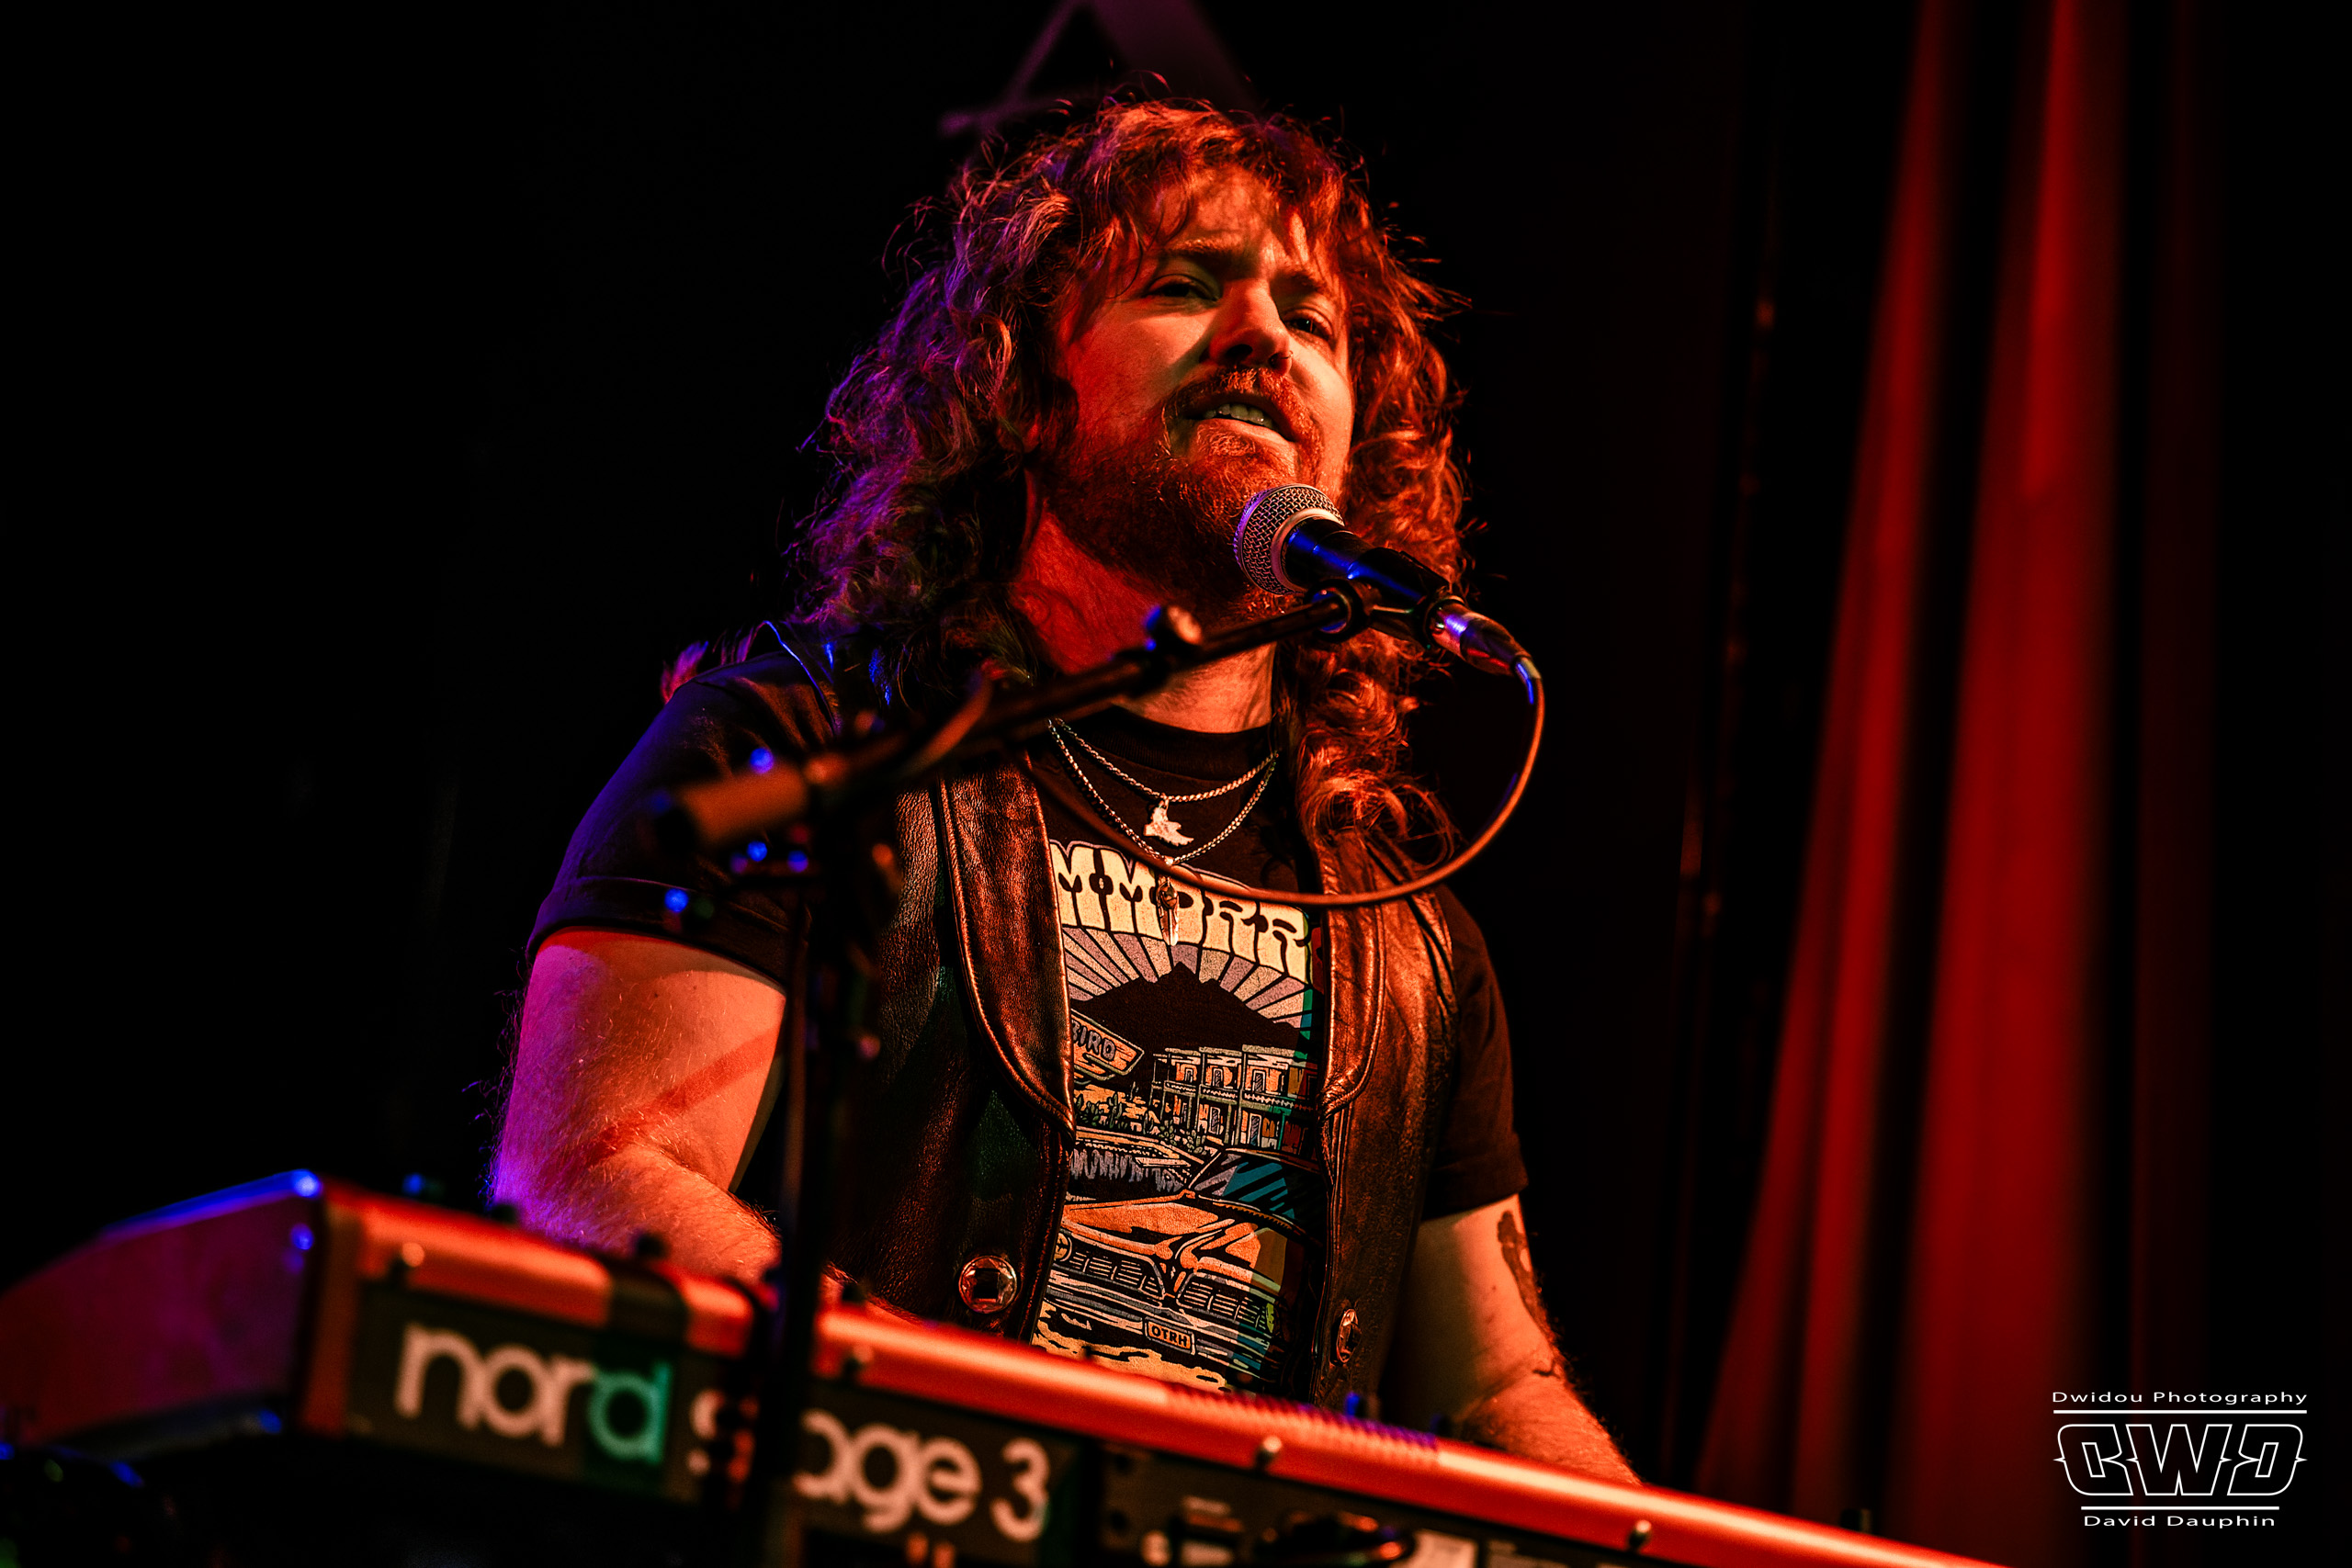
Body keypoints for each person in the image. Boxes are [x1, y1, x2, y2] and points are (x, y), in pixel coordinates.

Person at [493, 102, 1635, 1483]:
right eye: (1184, 285)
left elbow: (1496, 1386)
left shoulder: (1410, 939)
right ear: (1025, 388)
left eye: (1313, 320)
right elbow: (598, 1176)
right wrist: (945, 1438)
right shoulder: (797, 757)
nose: (1263, 337)